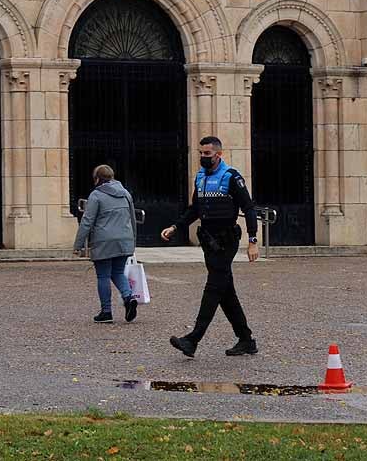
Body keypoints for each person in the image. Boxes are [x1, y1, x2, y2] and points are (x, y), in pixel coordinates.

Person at [161, 136, 260, 358]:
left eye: (207, 154)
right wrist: (176, 227)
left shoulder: (231, 177)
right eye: (201, 153)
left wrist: (252, 241)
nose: (203, 157)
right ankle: (246, 340)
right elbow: (194, 209)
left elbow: (249, 208)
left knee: (213, 287)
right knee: (226, 293)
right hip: (209, 241)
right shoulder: (200, 178)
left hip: (227, 242)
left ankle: (193, 339)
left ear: (218, 154)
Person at [73, 165, 139, 324]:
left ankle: (106, 311)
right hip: (124, 239)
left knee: (103, 275)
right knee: (117, 272)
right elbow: (132, 218)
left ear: (97, 179)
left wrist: (78, 244)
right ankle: (128, 297)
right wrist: (133, 240)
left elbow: (87, 222)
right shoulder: (125, 193)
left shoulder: (96, 195)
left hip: (103, 241)